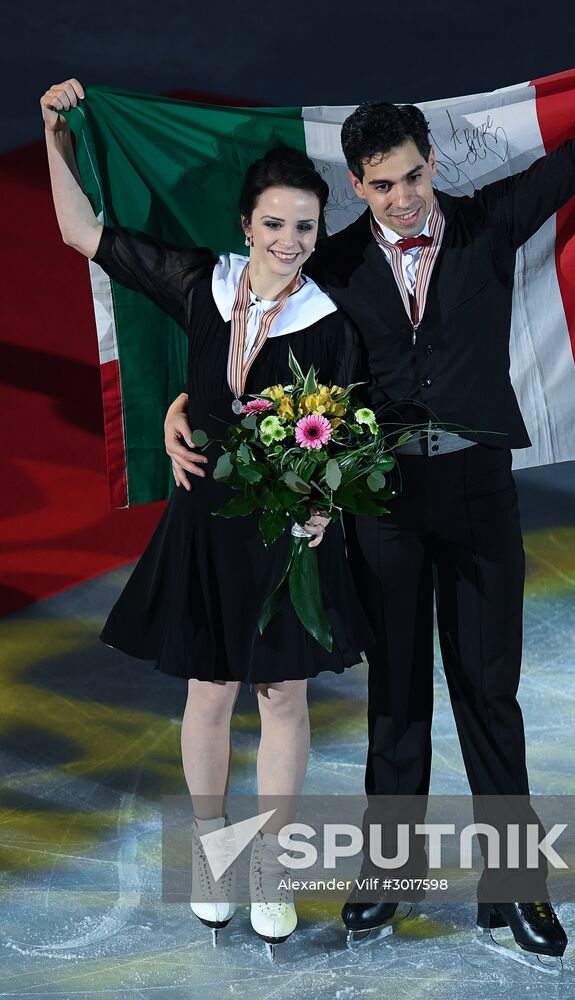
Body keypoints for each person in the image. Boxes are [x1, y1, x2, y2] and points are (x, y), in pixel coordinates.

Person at [164, 39, 575, 961]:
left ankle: (516, 887)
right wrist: (183, 403)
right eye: (383, 183)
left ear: (432, 165)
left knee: (488, 690)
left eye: (414, 176)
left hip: (476, 491)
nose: (403, 196)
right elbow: (248, 333)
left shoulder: (484, 224)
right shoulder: (334, 265)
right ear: (356, 182)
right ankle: (387, 880)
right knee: (396, 699)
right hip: (382, 498)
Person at [41, 78, 372, 951]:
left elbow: (350, 429)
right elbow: (82, 233)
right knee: (211, 688)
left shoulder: (332, 319)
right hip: (207, 521)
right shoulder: (202, 285)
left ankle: (272, 866)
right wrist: (56, 133)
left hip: (285, 528)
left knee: (285, 693)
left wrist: (324, 507)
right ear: (245, 226)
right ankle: (215, 851)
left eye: (306, 226)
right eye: (275, 225)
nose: (291, 242)